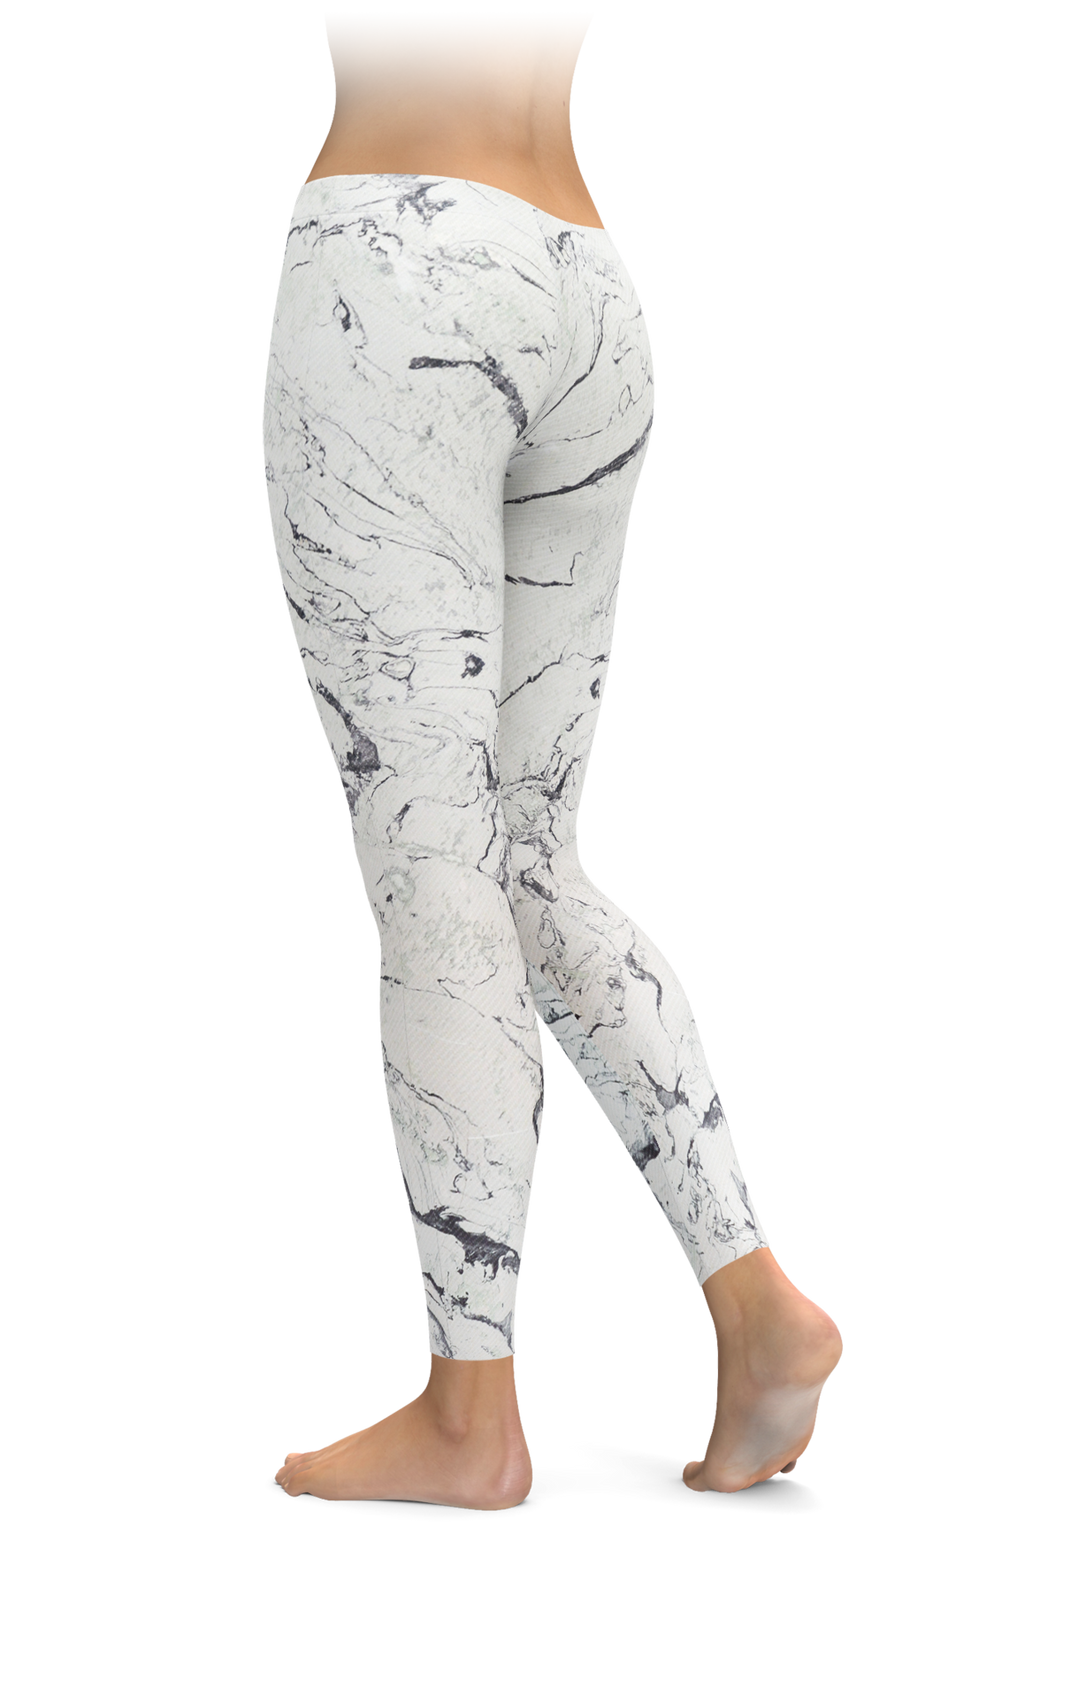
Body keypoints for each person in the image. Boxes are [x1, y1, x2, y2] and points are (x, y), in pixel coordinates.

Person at [263, 9, 844, 1509]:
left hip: (398, 278)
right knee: (526, 856)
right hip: (584, 280)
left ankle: (471, 1415)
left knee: (434, 861)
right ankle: (757, 1300)